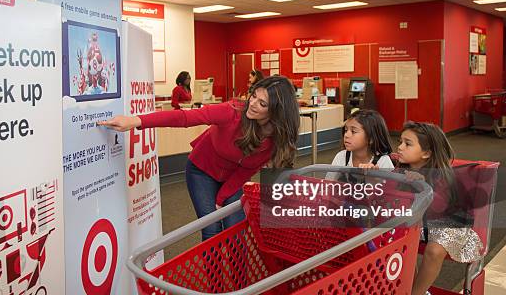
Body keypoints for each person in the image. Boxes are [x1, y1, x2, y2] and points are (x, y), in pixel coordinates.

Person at [99, 76, 300, 241]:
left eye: (262, 103)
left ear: (276, 111)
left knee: (236, 230)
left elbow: (245, 171)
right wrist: (136, 121)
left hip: (231, 178)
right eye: (253, 96)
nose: (253, 103)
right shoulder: (233, 112)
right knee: (211, 227)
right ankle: (214, 287)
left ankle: (240, 287)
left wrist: (221, 199)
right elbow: (185, 118)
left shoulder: (274, 141)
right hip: (201, 171)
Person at [396, 122, 483, 295]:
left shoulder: (443, 175)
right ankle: (415, 291)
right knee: (397, 242)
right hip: (421, 226)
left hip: (450, 225)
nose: (399, 147)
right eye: (400, 141)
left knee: (434, 251)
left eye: (407, 144)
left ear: (426, 153)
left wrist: (423, 184)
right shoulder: (400, 171)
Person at [328, 109, 394, 181]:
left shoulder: (383, 161)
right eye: (346, 130)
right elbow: (328, 185)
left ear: (371, 138)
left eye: (353, 131)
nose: (346, 135)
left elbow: (390, 190)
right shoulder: (341, 157)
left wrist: (374, 179)